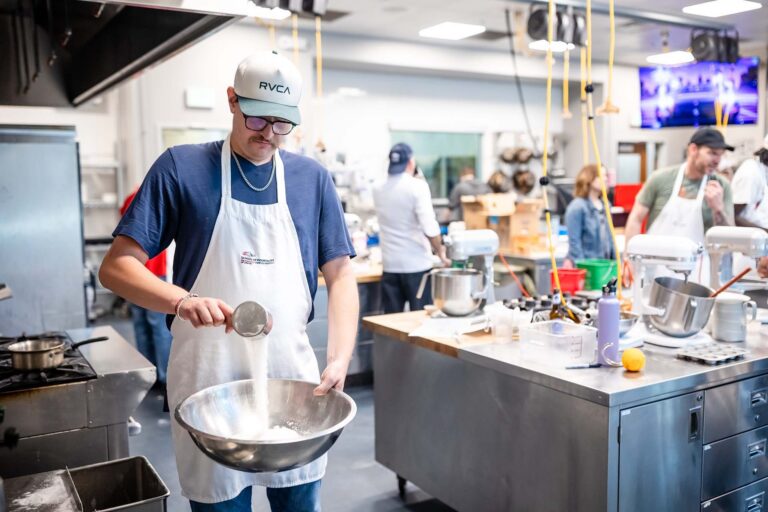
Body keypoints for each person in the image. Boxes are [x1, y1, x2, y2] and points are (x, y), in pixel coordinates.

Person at [99, 50, 359, 512]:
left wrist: (339, 358)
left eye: (282, 124)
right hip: (208, 382)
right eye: (258, 119)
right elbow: (117, 267)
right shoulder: (181, 168)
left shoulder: (311, 180)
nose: (269, 134)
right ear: (232, 101)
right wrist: (180, 300)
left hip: (291, 385)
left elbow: (340, 275)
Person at [623, 127, 735, 283]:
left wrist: (718, 209)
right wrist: (629, 258)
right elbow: (636, 218)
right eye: (712, 153)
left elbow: (728, 237)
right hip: (654, 267)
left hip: (694, 273)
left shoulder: (721, 186)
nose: (717, 160)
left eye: (720, 155)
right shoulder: (661, 179)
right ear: (693, 149)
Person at [373, 143, 449, 314]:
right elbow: (429, 227)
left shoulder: (377, 187)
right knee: (421, 319)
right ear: (411, 162)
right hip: (417, 266)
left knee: (391, 322)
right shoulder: (418, 186)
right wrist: (441, 253)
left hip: (390, 266)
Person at [119, 188, 172, 397]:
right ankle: (165, 377)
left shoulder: (129, 198)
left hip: (132, 273)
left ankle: (148, 377)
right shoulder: (161, 194)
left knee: (141, 324)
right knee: (159, 326)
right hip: (155, 271)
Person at [563, 165, 614, 265]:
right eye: (600, 176)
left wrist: (615, 263)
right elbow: (574, 243)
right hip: (588, 266)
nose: (605, 179)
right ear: (589, 178)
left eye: (606, 175)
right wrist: (583, 267)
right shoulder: (577, 207)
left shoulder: (605, 205)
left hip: (605, 266)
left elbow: (610, 238)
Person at [731, 133, 768, 230]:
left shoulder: (763, 172)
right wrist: (765, 232)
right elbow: (733, 216)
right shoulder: (751, 172)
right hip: (747, 237)